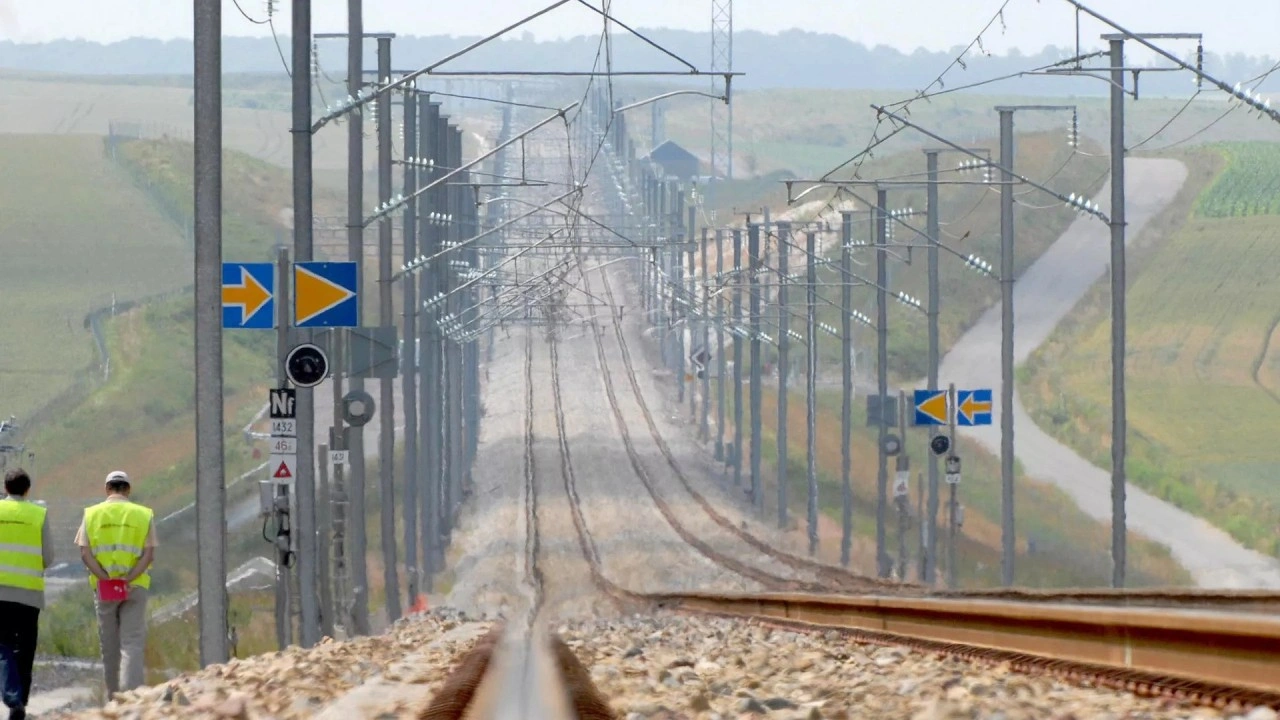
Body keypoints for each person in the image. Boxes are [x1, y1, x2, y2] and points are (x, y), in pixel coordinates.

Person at [75, 471, 156, 698]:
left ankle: (113, 696)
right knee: (131, 642)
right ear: (128, 489)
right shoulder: (144, 514)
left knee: (109, 645)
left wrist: (105, 577)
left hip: (105, 587)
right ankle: (131, 696)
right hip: (135, 585)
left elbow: (84, 552)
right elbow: (149, 554)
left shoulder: (91, 514)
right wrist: (128, 579)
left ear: (107, 489)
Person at [0, 468, 53, 720]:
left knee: (4, 646)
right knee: (26, 647)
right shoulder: (39, 514)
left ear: (5, 488)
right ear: (27, 489)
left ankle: (12, 697)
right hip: (29, 594)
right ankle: (20, 700)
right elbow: (48, 557)